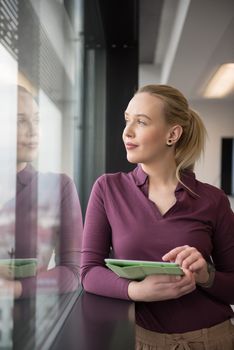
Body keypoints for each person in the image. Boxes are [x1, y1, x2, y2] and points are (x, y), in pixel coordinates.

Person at [81, 84, 234, 349]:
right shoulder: (107, 189)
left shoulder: (213, 199)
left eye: (141, 122)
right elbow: (88, 272)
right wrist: (136, 291)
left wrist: (205, 275)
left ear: (172, 134)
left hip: (213, 339)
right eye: (127, 120)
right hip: (140, 340)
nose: (127, 132)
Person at [0, 85, 83, 298]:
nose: (33, 131)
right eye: (20, 121)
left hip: (30, 325)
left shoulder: (58, 187)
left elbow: (74, 271)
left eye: (36, 120)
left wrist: (14, 290)